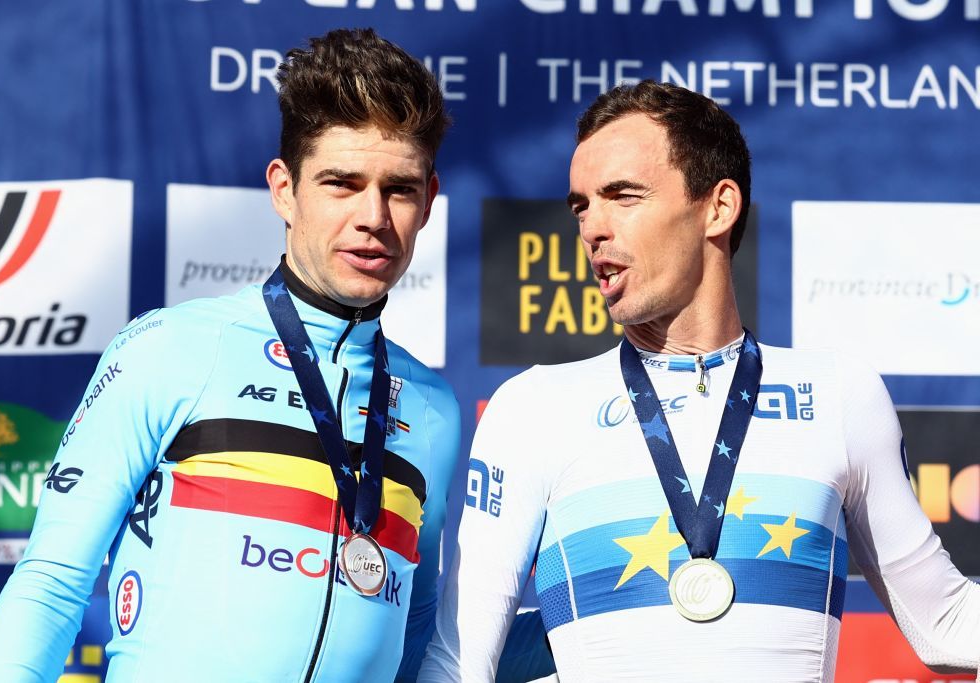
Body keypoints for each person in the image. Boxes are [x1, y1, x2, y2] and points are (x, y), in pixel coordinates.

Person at [419, 80, 980, 682]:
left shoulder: (841, 395)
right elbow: (459, 660)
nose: (592, 228)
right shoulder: (533, 408)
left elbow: (945, 622)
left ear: (718, 207)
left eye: (623, 196)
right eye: (582, 205)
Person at [0, 27, 460, 683]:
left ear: (429, 202)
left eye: (398, 188)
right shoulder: (172, 347)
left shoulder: (433, 407)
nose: (373, 215)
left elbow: (421, 637)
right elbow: (53, 581)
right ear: (284, 190)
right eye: (342, 183)